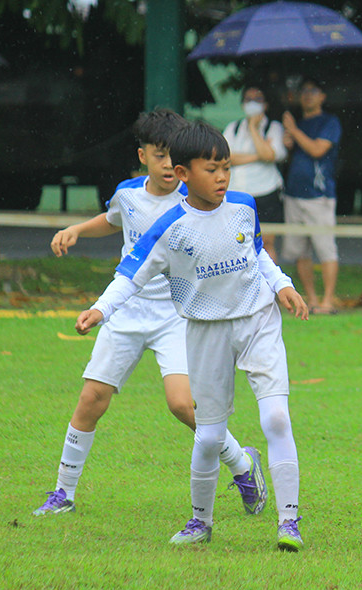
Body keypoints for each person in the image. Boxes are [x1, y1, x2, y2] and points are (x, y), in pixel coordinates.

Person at [75, 121, 310, 551]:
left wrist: (282, 285)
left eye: (226, 168)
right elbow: (130, 274)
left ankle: (289, 522)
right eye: (212, 169)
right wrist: (100, 309)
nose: (222, 178)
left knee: (276, 418)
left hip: (258, 322)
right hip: (205, 332)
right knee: (209, 435)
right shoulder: (169, 227)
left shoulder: (244, 206)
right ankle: (201, 522)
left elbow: (257, 253)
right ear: (183, 173)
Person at [33, 109, 268, 520]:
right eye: (159, 156)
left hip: (176, 316)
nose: (168, 165)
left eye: (173, 157)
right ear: (143, 156)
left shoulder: (195, 199)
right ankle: (63, 492)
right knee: (91, 398)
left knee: (183, 405)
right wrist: (77, 230)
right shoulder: (128, 194)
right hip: (126, 311)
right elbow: (113, 220)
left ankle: (242, 464)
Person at [281, 76, 342, 315]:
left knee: (326, 249)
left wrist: (294, 131)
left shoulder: (329, 122)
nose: (307, 95)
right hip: (293, 194)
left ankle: (328, 300)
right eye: (304, 91)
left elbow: (317, 150)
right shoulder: (297, 124)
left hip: (319, 196)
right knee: (300, 251)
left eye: (313, 91)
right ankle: (312, 298)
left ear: (322, 96)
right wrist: (288, 141)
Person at [223, 85, 288, 263]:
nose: (252, 103)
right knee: (237, 242)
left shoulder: (273, 127)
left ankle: (268, 280)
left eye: (257, 99)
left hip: (266, 192)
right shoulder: (233, 127)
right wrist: (257, 156)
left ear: (265, 104)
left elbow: (270, 155)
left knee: (266, 243)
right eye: (248, 99)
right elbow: (226, 158)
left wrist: (253, 128)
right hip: (238, 193)